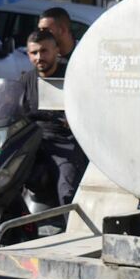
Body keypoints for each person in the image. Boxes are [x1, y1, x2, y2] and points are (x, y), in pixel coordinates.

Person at [23, 28, 87, 207]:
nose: (39, 57)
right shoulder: (26, 79)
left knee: (67, 190)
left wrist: (75, 117)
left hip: (64, 142)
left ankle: (70, 229)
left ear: (56, 51)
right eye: (34, 52)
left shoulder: (72, 76)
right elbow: (8, 100)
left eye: (44, 51)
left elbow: (87, 105)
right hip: (32, 142)